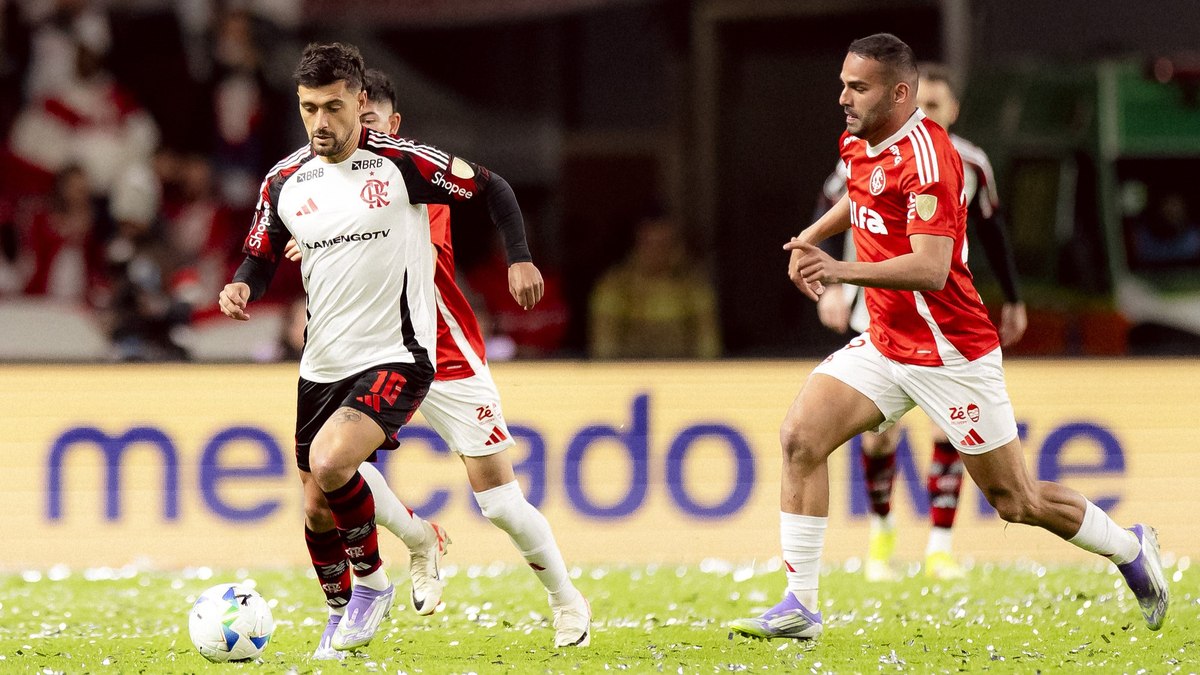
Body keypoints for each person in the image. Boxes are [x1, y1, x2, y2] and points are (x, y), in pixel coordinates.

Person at [730, 33, 1168, 641]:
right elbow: (860, 194)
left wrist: (839, 269)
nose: (843, 98)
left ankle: (1130, 547)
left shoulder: (932, 159)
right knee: (801, 439)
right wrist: (812, 236)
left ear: (899, 94)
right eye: (843, 85)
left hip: (950, 351)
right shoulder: (859, 138)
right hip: (887, 341)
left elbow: (931, 268)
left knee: (1016, 500)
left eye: (857, 88)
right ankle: (800, 606)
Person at [217, 44, 551, 656]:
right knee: (316, 507)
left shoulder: (404, 164)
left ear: (359, 100)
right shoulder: (284, 180)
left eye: (333, 107)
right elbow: (260, 253)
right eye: (309, 109)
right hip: (322, 362)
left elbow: (493, 187)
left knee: (331, 463)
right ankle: (345, 604)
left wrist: (520, 258)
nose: (321, 122)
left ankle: (373, 585)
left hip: (397, 354)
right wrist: (243, 284)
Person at [280, 67, 591, 654]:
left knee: (499, 502)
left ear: (392, 126)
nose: (355, 136)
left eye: (369, 123)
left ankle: (565, 597)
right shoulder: (323, 180)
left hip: (443, 351)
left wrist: (519, 255)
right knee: (330, 467)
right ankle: (419, 539)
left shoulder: (412, 175)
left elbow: (462, 196)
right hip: (371, 353)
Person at [814, 63, 1028, 582]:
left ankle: (939, 546)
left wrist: (1013, 298)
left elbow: (992, 231)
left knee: (949, 430)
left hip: (942, 320)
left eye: (934, 106)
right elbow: (835, 202)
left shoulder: (969, 163)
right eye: (918, 105)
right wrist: (834, 282)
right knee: (877, 438)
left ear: (953, 110)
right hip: (878, 313)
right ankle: (881, 532)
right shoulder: (869, 150)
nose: (924, 115)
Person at [588, 214, 721, 359]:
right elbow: (604, 347)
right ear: (636, 246)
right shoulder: (615, 286)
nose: (657, 252)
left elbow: (708, 345)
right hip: (631, 370)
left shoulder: (694, 287)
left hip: (682, 369)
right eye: (649, 244)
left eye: (664, 244)